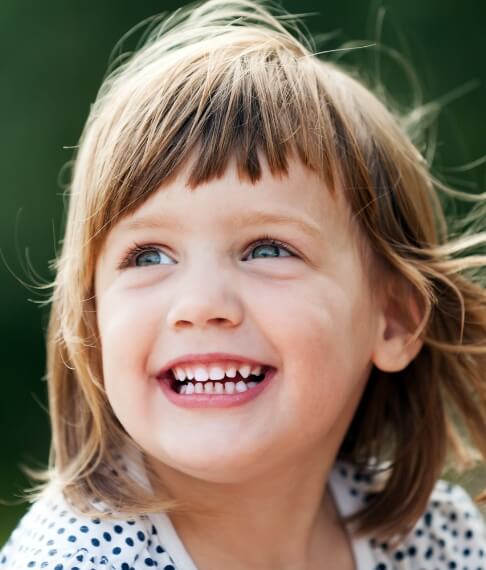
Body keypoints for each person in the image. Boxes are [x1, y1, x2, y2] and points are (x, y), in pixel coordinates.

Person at [1, 0, 486, 568]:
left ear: (396, 319)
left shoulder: (437, 543)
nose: (201, 305)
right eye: (148, 255)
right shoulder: (76, 561)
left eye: (268, 249)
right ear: (92, 322)